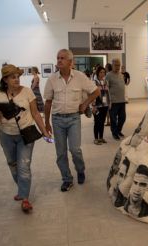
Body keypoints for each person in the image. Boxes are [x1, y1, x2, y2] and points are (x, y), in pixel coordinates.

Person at [0, 64, 52, 212]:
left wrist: (45, 131)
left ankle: (25, 198)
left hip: (25, 135)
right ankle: (22, 189)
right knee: (12, 164)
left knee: (24, 166)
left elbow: (35, 114)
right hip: (6, 135)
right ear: (5, 79)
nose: (17, 79)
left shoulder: (27, 92)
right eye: (13, 77)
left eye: (18, 76)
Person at [44, 49, 99, 192]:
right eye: (57, 58)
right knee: (61, 153)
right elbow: (48, 102)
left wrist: (85, 103)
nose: (59, 61)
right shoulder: (52, 79)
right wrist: (46, 123)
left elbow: (96, 91)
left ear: (70, 62)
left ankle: (80, 170)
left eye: (62, 58)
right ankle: (67, 179)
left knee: (75, 150)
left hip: (74, 118)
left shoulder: (80, 77)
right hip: (57, 120)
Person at [106, 59, 126, 140]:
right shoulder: (108, 75)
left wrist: (126, 98)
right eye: (116, 65)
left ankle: (118, 130)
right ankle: (114, 133)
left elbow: (123, 87)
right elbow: (106, 89)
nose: (118, 67)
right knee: (113, 119)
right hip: (113, 101)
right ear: (112, 65)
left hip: (122, 100)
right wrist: (108, 101)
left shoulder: (121, 75)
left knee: (123, 118)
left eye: (119, 65)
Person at [92, 66, 109, 145]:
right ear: (97, 73)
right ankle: (96, 139)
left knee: (102, 122)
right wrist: (93, 106)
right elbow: (92, 94)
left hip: (104, 105)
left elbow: (107, 93)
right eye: (101, 72)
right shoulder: (94, 82)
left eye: (103, 72)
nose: (102, 74)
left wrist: (110, 103)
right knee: (97, 122)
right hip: (97, 106)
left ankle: (101, 137)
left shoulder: (106, 81)